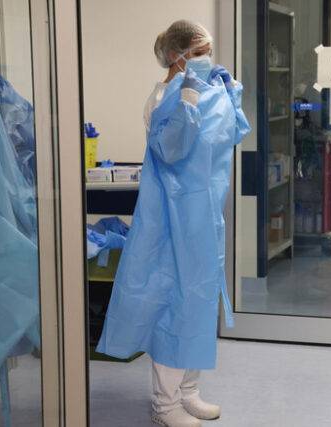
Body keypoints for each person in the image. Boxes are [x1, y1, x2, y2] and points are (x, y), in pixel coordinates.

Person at [96, 20, 250, 427]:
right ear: (175, 56)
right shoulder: (164, 98)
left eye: (208, 52)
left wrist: (232, 96)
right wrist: (188, 103)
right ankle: (165, 406)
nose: (206, 59)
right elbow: (170, 150)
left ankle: (188, 392)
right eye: (199, 53)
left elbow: (232, 134)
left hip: (204, 219)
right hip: (170, 220)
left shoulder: (207, 91)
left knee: (199, 304)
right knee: (173, 308)